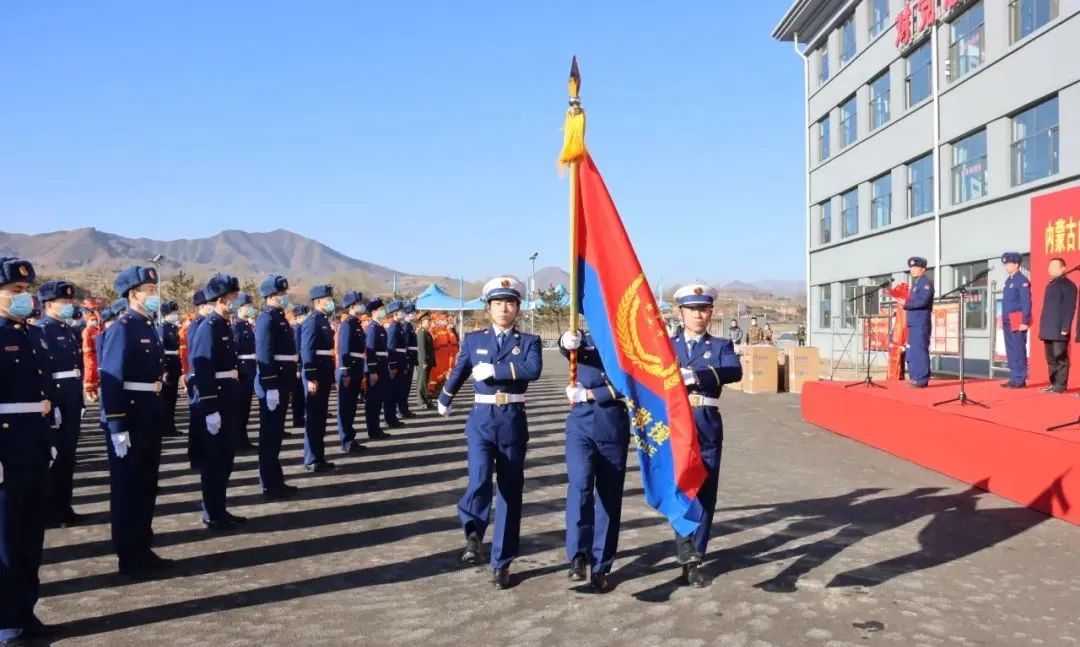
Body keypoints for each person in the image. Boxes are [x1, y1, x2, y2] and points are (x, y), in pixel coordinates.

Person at [438, 277, 543, 590]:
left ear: (517, 308)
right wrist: (446, 397)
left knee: (510, 493)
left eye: (510, 303)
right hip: (482, 419)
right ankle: (473, 530)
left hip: (511, 420)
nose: (504, 309)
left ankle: (502, 561)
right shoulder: (474, 340)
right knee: (479, 478)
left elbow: (533, 370)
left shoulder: (529, 341)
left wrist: (495, 372)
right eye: (498, 303)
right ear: (489, 307)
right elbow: (459, 369)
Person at [99, 265, 174, 578]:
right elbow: (112, 379)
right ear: (133, 295)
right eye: (149, 291)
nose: (154, 295)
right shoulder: (123, 327)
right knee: (128, 489)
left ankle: (143, 547)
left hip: (148, 414)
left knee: (146, 485)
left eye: (155, 290)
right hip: (129, 418)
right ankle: (129, 555)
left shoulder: (147, 326)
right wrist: (116, 425)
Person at [0, 258, 59, 646]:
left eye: (26, 292)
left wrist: (48, 436)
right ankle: (7, 623)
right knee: (4, 540)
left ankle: (25, 610)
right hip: (5, 446)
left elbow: (44, 392)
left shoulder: (32, 335)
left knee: (29, 535)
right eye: (15, 292)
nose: (24, 298)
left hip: (33, 443)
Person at [671, 284, 742, 588]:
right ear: (680, 313)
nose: (699, 315)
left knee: (705, 492)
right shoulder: (666, 345)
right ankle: (685, 548)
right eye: (692, 309)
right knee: (679, 490)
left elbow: (733, 371)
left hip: (706, 423)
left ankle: (695, 557)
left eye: (704, 309)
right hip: (675, 424)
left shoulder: (722, 345)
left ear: (711, 312)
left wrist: (695, 376)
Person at [558, 328, 629, 593]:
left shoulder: (628, 339)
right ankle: (577, 555)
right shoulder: (582, 337)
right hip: (581, 426)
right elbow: (569, 350)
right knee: (580, 486)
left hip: (612, 425)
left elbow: (632, 383)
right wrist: (564, 341)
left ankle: (601, 565)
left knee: (609, 498)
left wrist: (590, 394)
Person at [190, 274, 246, 530]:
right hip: (217, 401)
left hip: (228, 397)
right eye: (234, 298)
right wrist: (210, 408)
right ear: (222, 300)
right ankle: (212, 512)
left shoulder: (223, 325)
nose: (237, 301)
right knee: (215, 460)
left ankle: (220, 508)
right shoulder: (208, 327)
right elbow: (203, 371)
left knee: (226, 458)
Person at [37, 280, 85, 528]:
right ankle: (51, 509)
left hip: (71, 399)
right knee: (55, 457)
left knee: (68, 457)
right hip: (56, 401)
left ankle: (64, 505)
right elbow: (44, 373)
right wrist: (52, 404)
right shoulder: (42, 330)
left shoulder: (68, 330)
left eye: (71, 301)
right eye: (64, 302)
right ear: (49, 304)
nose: (70, 305)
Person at [254, 275, 300, 498]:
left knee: (275, 435)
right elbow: (264, 353)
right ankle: (269, 483)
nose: (285, 297)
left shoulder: (279, 317)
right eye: (281, 294)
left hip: (283, 381)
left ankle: (275, 479)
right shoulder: (266, 319)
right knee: (270, 435)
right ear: (271, 297)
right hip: (275, 382)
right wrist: (270, 384)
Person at [300, 285, 337, 472]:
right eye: (327, 298)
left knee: (320, 418)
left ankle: (319, 456)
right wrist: (311, 377)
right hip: (316, 376)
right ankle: (311, 458)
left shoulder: (322, 320)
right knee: (313, 418)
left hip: (324, 373)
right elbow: (307, 351)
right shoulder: (312, 321)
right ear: (317, 301)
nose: (331, 301)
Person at [336, 290, 368, 455]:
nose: (361, 306)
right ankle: (346, 440)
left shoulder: (355, 323)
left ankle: (350, 437)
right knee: (346, 406)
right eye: (357, 304)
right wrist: (345, 372)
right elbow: (344, 350)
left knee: (352, 406)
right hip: (349, 369)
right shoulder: (347, 324)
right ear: (351, 306)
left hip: (356, 368)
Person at [1040, 258, 1076, 394]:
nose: (1051, 269)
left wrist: (1065, 327)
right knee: (1050, 359)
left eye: (1054, 266)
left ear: (1063, 268)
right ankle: (1053, 383)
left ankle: (1060, 386)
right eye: (1050, 266)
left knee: (1060, 357)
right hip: (1048, 328)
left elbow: (1069, 308)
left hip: (1059, 329)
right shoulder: (1051, 284)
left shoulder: (1068, 285)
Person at [186, 289, 213, 470]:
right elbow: (195, 353)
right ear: (203, 306)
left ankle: (202, 452)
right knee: (198, 417)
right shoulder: (197, 325)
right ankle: (196, 456)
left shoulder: (206, 323)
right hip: (197, 376)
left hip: (202, 375)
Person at [1001, 252, 1032, 389]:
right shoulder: (1009, 281)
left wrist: (1025, 321)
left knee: (1018, 349)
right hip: (1007, 319)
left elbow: (1026, 302)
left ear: (1017, 264)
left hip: (1017, 318)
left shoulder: (1022, 280)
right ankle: (1013, 377)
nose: (1006, 266)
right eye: (1005, 264)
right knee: (1011, 349)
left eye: (1008, 263)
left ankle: (1020, 378)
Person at [231, 293, 258, 451]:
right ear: (239, 309)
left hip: (249, 369)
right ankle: (238, 439)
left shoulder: (248, 326)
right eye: (247, 306)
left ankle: (242, 438)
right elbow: (233, 352)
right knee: (239, 408)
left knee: (246, 407)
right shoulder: (235, 327)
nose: (250, 308)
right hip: (241, 371)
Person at [364, 297, 393, 440]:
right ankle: (373, 430)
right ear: (375, 311)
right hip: (376, 369)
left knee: (378, 400)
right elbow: (370, 351)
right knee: (373, 401)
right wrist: (373, 371)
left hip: (382, 367)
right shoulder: (372, 328)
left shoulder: (379, 327)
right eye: (381, 309)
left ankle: (376, 428)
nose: (383, 311)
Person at [904, 256, 934, 388]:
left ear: (923, 269)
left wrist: (906, 304)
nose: (912, 270)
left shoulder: (925, 283)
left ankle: (922, 379)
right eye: (911, 268)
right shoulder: (916, 284)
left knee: (920, 349)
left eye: (915, 268)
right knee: (913, 350)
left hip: (920, 322)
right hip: (912, 322)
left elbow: (923, 301)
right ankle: (915, 376)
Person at [158, 301, 184, 438]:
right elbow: (161, 350)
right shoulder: (162, 328)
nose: (175, 315)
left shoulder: (173, 328)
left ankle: (170, 426)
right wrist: (164, 369)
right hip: (167, 364)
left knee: (172, 398)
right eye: (172, 313)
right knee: (166, 399)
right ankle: (164, 426)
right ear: (166, 315)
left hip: (174, 363)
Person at [383, 300, 407, 429]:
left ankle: (393, 417)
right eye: (401, 312)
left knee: (397, 391)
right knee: (391, 393)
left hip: (400, 362)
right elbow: (391, 349)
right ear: (395, 313)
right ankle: (389, 418)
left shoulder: (398, 326)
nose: (403, 313)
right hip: (395, 364)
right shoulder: (393, 328)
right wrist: (393, 366)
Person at [290, 305, 309, 429]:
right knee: (298, 394)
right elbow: (297, 349)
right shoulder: (297, 329)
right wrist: (298, 367)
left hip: (301, 364)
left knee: (301, 393)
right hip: (298, 365)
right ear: (298, 317)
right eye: (304, 315)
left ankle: (300, 417)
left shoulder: (301, 327)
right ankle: (298, 419)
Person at [400, 304, 419, 419]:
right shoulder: (406, 327)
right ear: (409, 314)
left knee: (407, 387)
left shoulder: (409, 326)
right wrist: (407, 361)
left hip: (411, 359)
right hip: (408, 359)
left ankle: (404, 409)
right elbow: (405, 345)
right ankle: (402, 410)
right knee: (404, 387)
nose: (415, 314)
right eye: (414, 312)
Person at [416, 312, 437, 410]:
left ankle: (425, 399)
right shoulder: (421, 332)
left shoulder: (427, 332)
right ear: (422, 322)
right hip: (423, 362)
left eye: (429, 321)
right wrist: (423, 361)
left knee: (426, 382)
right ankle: (421, 400)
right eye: (427, 321)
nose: (429, 323)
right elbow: (422, 348)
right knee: (422, 381)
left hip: (428, 361)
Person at [82, 309, 101, 402]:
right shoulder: (87, 331)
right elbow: (86, 345)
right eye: (92, 319)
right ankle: (88, 392)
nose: (94, 321)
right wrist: (89, 354)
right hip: (90, 354)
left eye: (95, 319)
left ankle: (94, 391)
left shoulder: (97, 330)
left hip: (97, 354)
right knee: (90, 373)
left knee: (95, 374)